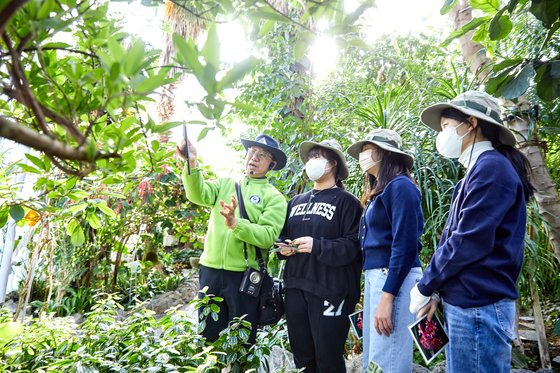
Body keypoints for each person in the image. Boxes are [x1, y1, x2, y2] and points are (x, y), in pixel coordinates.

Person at [409, 90, 535, 373]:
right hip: (468, 304)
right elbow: (453, 237)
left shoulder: (492, 169)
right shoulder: (479, 170)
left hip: (479, 307)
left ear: (471, 123)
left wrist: (426, 284)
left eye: (445, 127)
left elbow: (468, 241)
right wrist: (437, 292)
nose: (442, 134)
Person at [177, 134, 288, 343]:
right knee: (208, 339)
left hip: (244, 278)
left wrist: (236, 224)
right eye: (252, 152)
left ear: (271, 164)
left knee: (240, 342)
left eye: (261, 155)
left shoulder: (274, 197)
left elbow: (267, 236)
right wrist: (191, 162)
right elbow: (197, 194)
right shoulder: (225, 183)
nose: (254, 157)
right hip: (210, 272)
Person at [278, 139, 362, 373]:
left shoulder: (348, 202)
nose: (312, 161)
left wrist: (318, 245)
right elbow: (282, 237)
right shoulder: (295, 202)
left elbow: (353, 246)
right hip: (295, 288)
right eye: (310, 156)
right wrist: (283, 249)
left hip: (331, 290)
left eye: (318, 156)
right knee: (302, 359)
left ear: (333, 163)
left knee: (328, 358)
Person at [347, 129, 424, 373]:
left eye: (367, 149)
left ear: (384, 153)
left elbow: (405, 245)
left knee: (387, 360)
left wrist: (387, 296)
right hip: (378, 276)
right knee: (374, 357)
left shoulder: (401, 187)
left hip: (393, 277)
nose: (362, 155)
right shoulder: (381, 190)